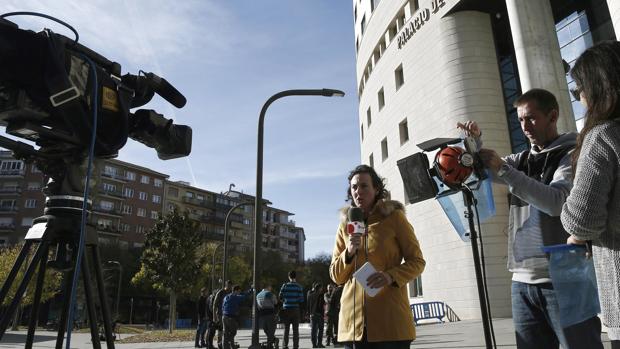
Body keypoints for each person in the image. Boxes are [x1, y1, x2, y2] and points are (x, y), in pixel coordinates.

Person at [458, 88, 602, 348]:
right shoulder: (522, 159)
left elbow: (555, 202)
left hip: (566, 277)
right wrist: (474, 144)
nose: (525, 126)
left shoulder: (571, 154)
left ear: (553, 116)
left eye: (531, 118)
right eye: (521, 120)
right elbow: (484, 173)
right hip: (522, 282)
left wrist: (504, 169)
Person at [561, 40, 620, 349]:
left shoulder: (603, 136)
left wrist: (576, 233)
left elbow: (581, 220)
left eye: (578, 89)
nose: (579, 97)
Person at [329, 165, 425, 348]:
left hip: (391, 325)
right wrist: (348, 253)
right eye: (354, 187)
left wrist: (390, 276)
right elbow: (336, 276)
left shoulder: (394, 218)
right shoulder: (345, 226)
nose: (358, 192)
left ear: (377, 189)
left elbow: (417, 262)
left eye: (364, 186)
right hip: (352, 328)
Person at [279, 270, 304, 349]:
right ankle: (295, 346)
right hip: (295, 309)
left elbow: (280, 296)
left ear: (289, 277)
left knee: (286, 329)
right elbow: (301, 300)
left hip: (286, 309)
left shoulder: (285, 285)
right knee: (295, 330)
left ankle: (285, 346)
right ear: (295, 277)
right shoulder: (299, 286)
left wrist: (285, 301)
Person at [257, 284, 279, 349]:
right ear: (268, 287)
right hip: (270, 314)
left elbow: (258, 306)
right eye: (270, 287)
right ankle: (270, 345)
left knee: (266, 329)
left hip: (262, 314)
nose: (271, 288)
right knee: (271, 330)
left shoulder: (258, 295)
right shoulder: (269, 294)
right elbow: (275, 302)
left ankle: (273, 341)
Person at [212, 280, 232, 349]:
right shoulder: (220, 292)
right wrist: (214, 316)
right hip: (220, 314)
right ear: (226, 285)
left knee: (227, 329)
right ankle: (219, 343)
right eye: (228, 285)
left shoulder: (230, 292)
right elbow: (214, 304)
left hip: (227, 314)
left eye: (230, 286)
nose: (229, 287)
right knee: (220, 329)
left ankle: (225, 342)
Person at [307, 282, 325, 348]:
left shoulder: (310, 295)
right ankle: (319, 343)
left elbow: (308, 306)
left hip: (312, 314)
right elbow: (321, 305)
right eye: (321, 288)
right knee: (320, 329)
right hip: (319, 314)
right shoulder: (321, 295)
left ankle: (314, 344)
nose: (322, 289)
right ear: (319, 288)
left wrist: (309, 313)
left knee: (313, 330)